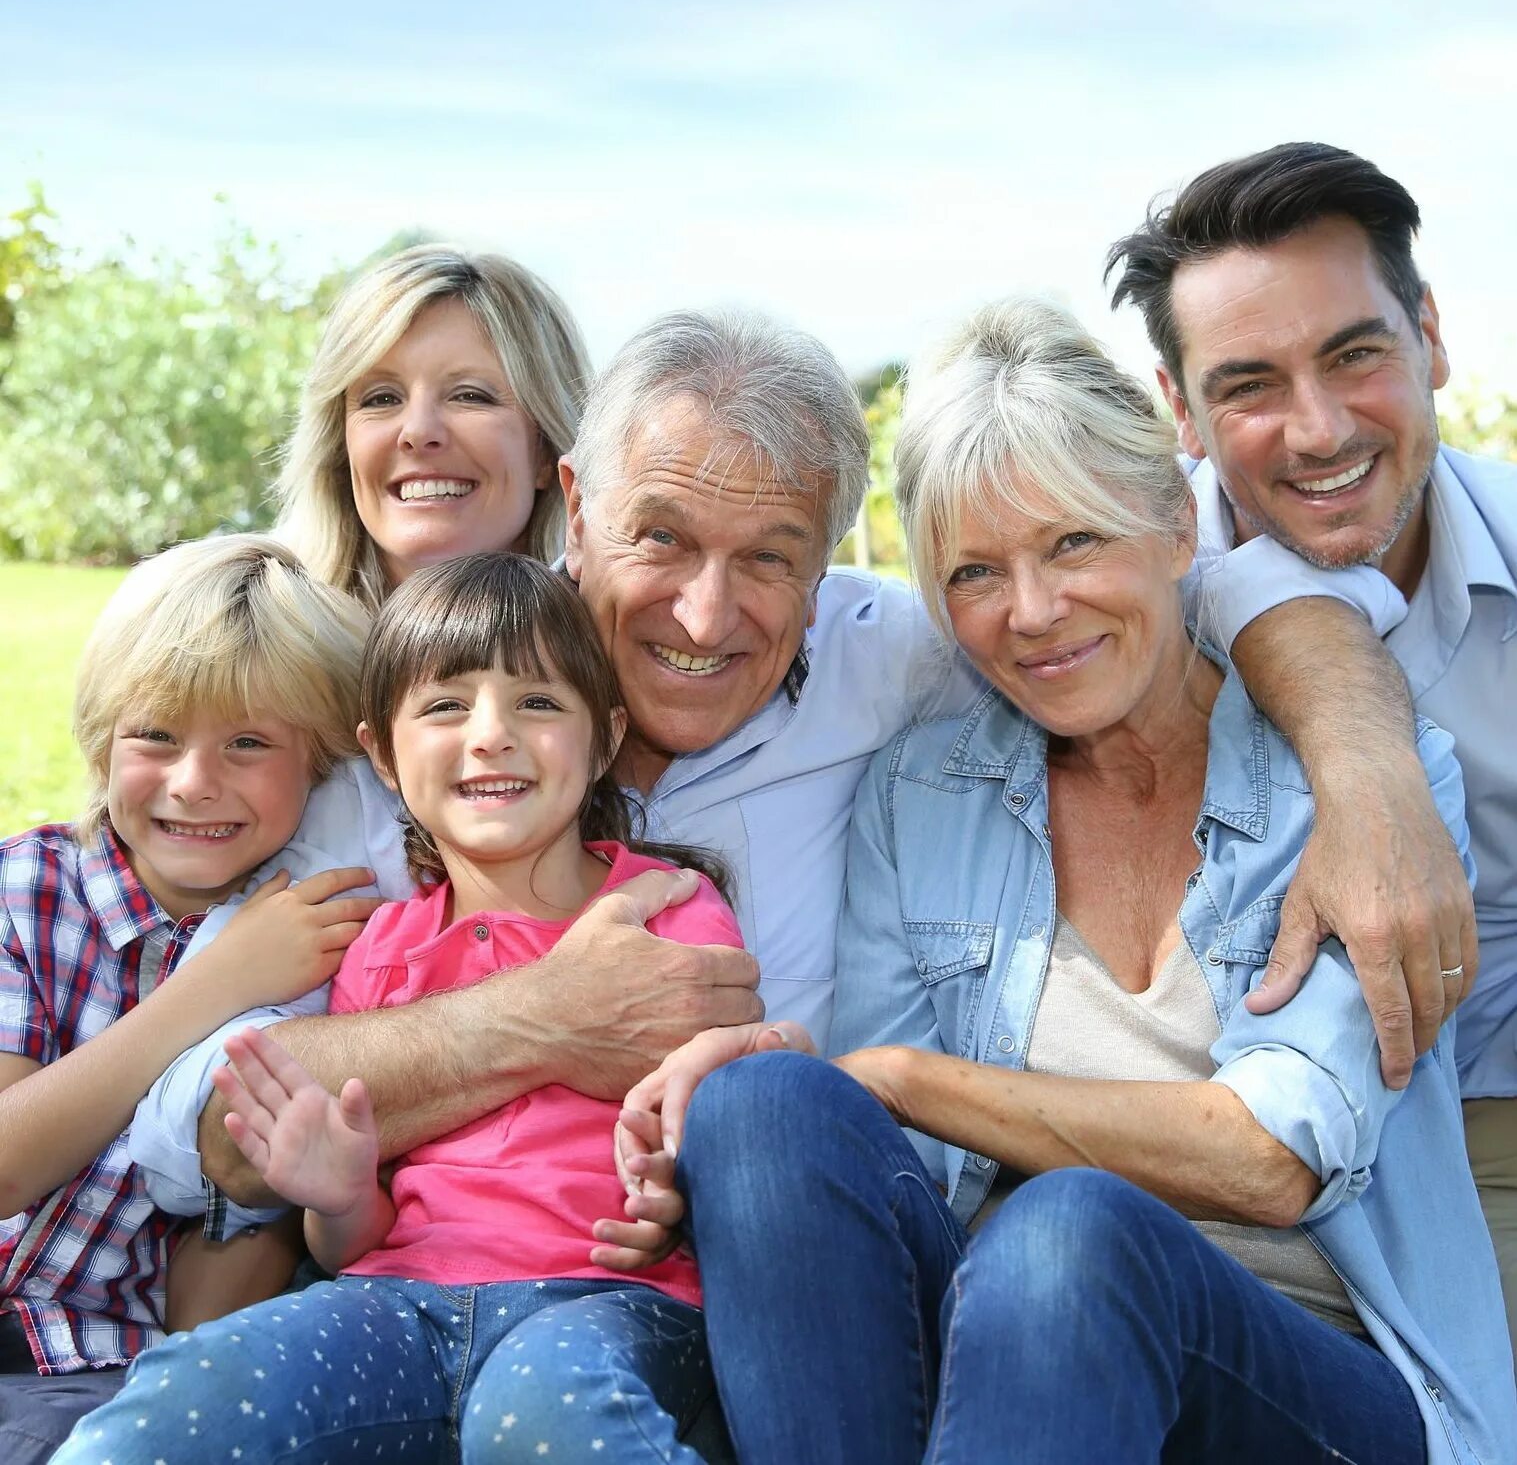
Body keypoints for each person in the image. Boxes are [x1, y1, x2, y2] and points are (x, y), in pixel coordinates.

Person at [132, 311, 1472, 1261]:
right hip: (446, 1289)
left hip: (780, 1283)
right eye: (659, 536)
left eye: (770, 556)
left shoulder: (898, 662)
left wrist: (1361, 761)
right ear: (580, 501)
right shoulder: (426, 741)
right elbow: (203, 1135)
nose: (706, 616)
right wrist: (534, 1020)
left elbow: (1162, 585)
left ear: (832, 558)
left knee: (782, 1110)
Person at [662, 300, 1516, 1463]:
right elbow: (892, 1175)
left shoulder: (1358, 783)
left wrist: (903, 1076)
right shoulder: (924, 794)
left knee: (1070, 1228)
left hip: (1315, 1377)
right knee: (762, 1104)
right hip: (1017, 1360)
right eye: (974, 571)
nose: (1030, 612)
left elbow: (1272, 1158)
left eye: (1072, 543)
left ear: (1174, 523)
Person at [58, 552, 745, 1465]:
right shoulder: (380, 946)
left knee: (544, 1418)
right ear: (381, 750)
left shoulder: (668, 906)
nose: (491, 735)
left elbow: (728, 1096)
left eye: (537, 703)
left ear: (605, 735)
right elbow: (355, 1238)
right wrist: (337, 1193)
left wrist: (676, 1178)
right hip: (397, 1298)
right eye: (445, 706)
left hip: (607, 1296)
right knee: (186, 1395)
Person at [1106, 140, 1517, 1352]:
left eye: (1354, 355)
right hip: (1194, 1157)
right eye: (1248, 386)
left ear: (1429, 337)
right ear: (1177, 413)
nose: (1319, 428)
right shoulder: (1109, 611)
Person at [0, 535, 382, 1464]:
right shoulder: (30, 888)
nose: (194, 780)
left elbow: (250, 1236)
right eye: (156, 734)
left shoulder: (326, 941)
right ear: (101, 737)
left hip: (103, 1370)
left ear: (325, 763)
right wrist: (215, 985)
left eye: (248, 742)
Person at [277, 243, 592, 609]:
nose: (418, 432)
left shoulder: (624, 658)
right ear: (340, 447)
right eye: (382, 398)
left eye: (469, 396)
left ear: (545, 450)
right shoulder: (243, 654)